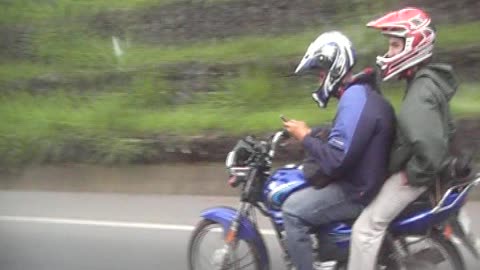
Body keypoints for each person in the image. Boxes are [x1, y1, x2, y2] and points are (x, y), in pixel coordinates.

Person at [348, 7, 459, 270]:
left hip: (418, 174)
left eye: (396, 45)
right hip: (425, 165)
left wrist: (412, 175)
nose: (389, 53)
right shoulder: (426, 81)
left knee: (365, 228)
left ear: (415, 46)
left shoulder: (420, 94)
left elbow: (429, 150)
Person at [281, 31, 396, 270]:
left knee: (291, 211)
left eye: (320, 75)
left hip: (358, 189)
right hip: (364, 177)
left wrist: (305, 137)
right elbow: (345, 138)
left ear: (333, 70)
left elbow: (336, 160)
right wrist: (314, 134)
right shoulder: (361, 93)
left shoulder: (354, 99)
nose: (318, 82)